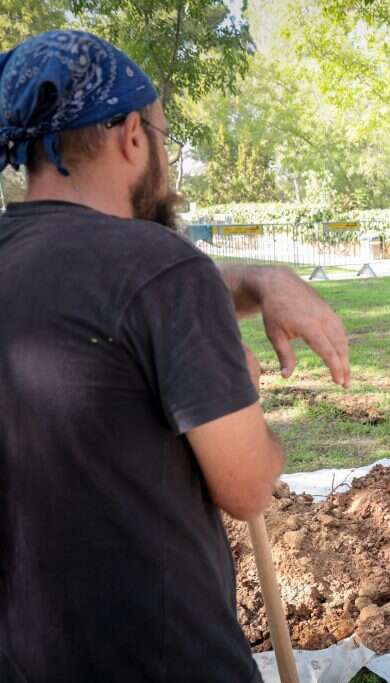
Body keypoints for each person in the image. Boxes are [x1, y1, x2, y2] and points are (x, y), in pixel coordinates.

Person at [0, 31, 347, 681]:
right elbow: (246, 488)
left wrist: (259, 280)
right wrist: (249, 403)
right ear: (133, 134)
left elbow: (96, 291)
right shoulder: (163, 270)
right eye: (165, 140)